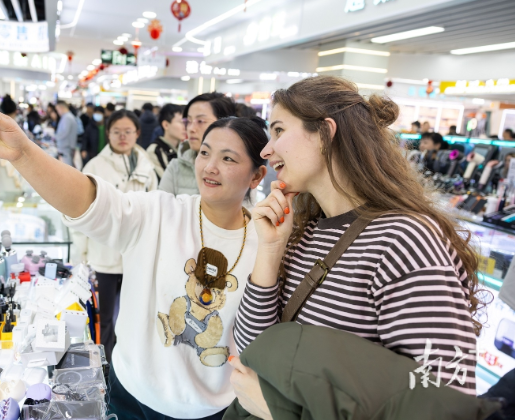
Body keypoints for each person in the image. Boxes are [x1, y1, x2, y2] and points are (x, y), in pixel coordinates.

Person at [0, 106, 268, 419]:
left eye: (228, 159)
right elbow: (88, 201)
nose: (210, 167)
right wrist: (23, 153)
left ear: (257, 175)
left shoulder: (266, 245)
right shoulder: (162, 212)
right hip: (131, 395)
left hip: (212, 409)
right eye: (205, 152)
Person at [230, 76, 480, 419]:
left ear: (325, 132)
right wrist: (271, 250)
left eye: (278, 130)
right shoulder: (304, 232)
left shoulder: (403, 239)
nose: (265, 150)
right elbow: (253, 350)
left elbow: (446, 403)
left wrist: (280, 412)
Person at [76, 109, 157, 362]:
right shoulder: (95, 166)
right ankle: (106, 365)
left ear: (137, 133)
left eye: (128, 131)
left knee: (135, 315)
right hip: (104, 255)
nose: (123, 136)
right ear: (108, 134)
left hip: (136, 255)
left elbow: (155, 208)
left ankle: (129, 365)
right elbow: (80, 211)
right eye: (116, 132)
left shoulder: (146, 165)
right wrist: (82, 254)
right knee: (105, 317)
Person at [159, 92, 237, 196]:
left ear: (226, 123)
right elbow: (160, 203)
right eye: (188, 121)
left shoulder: (238, 169)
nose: (190, 129)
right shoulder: (175, 167)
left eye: (200, 121)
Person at [147, 103, 185, 181]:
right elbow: (167, 182)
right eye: (181, 122)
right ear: (166, 125)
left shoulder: (184, 148)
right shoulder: (155, 151)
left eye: (186, 122)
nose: (186, 127)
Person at [55, 101, 78, 166]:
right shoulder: (67, 117)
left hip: (66, 148)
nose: (58, 112)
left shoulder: (67, 117)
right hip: (66, 148)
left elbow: (64, 132)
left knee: (67, 166)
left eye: (57, 110)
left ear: (61, 108)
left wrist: (55, 137)